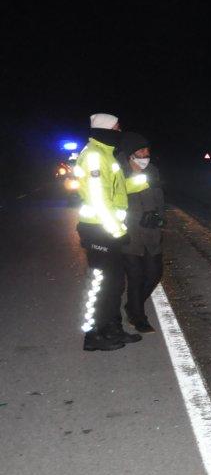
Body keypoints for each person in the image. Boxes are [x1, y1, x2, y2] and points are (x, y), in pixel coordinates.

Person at [76, 113, 141, 351]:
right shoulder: (94, 156)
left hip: (106, 230)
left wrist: (144, 181)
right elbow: (99, 200)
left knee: (114, 283)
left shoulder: (105, 154)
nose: (119, 131)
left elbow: (117, 191)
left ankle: (113, 329)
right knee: (101, 284)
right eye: (116, 127)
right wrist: (116, 231)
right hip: (98, 230)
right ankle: (93, 336)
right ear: (105, 129)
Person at [119, 132, 164, 333]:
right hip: (130, 233)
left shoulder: (152, 170)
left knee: (155, 273)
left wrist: (160, 217)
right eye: (141, 150)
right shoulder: (119, 171)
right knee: (136, 276)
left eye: (147, 150)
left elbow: (159, 196)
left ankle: (132, 305)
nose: (146, 154)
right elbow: (116, 197)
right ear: (130, 153)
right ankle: (138, 317)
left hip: (152, 232)